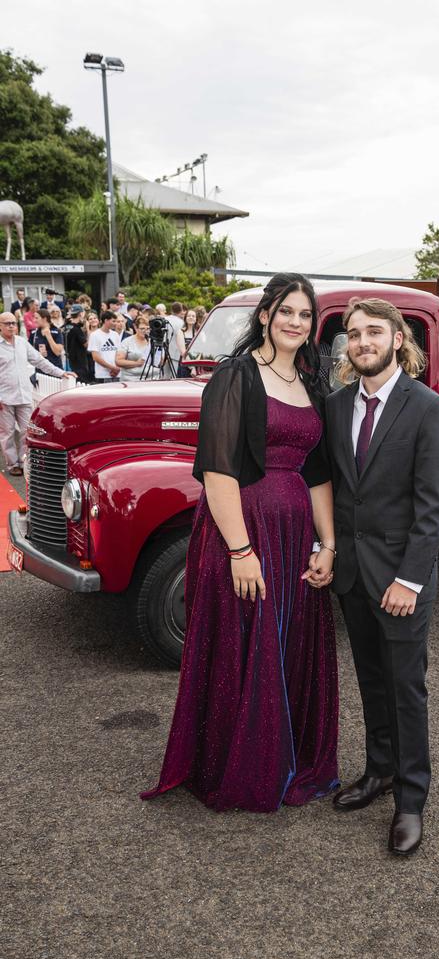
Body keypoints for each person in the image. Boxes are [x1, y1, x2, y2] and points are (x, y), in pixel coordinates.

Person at [141, 272, 339, 813]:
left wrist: (328, 544)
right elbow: (218, 472)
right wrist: (240, 550)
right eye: (286, 312)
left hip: (296, 532)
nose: (295, 322)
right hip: (242, 527)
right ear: (265, 317)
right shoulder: (236, 376)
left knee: (290, 641)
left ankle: (285, 756)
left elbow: (319, 472)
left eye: (305, 314)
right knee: (242, 643)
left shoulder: (313, 384)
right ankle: (235, 763)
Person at [320, 296, 439, 857]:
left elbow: (432, 507)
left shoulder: (427, 408)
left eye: (373, 332)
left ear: (399, 339)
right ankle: (378, 773)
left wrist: (411, 581)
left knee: (405, 689)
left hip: (402, 582)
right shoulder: (335, 405)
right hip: (352, 576)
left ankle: (411, 799)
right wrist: (326, 549)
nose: (362, 342)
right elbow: (336, 489)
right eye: (353, 334)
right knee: (371, 682)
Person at [0, 311, 75, 475]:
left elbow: (39, 361)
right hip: (4, 397)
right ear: (0, 326)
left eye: (13, 323)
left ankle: (26, 461)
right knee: (7, 432)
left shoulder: (22, 343)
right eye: (7, 323)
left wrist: (61, 372)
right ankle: (13, 465)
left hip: (24, 395)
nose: (11, 326)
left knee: (27, 430)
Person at [115, 316, 160, 382]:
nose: (145, 331)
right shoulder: (127, 341)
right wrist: (136, 363)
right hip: (131, 379)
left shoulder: (153, 341)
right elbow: (118, 361)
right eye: (142, 329)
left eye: (148, 329)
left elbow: (160, 362)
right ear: (135, 328)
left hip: (152, 379)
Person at [88, 311, 121, 383]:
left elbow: (119, 353)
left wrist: (117, 369)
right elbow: (95, 357)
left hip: (116, 374)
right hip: (102, 375)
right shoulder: (95, 335)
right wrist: (112, 368)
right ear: (106, 320)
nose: (115, 323)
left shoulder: (115, 335)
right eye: (113, 321)